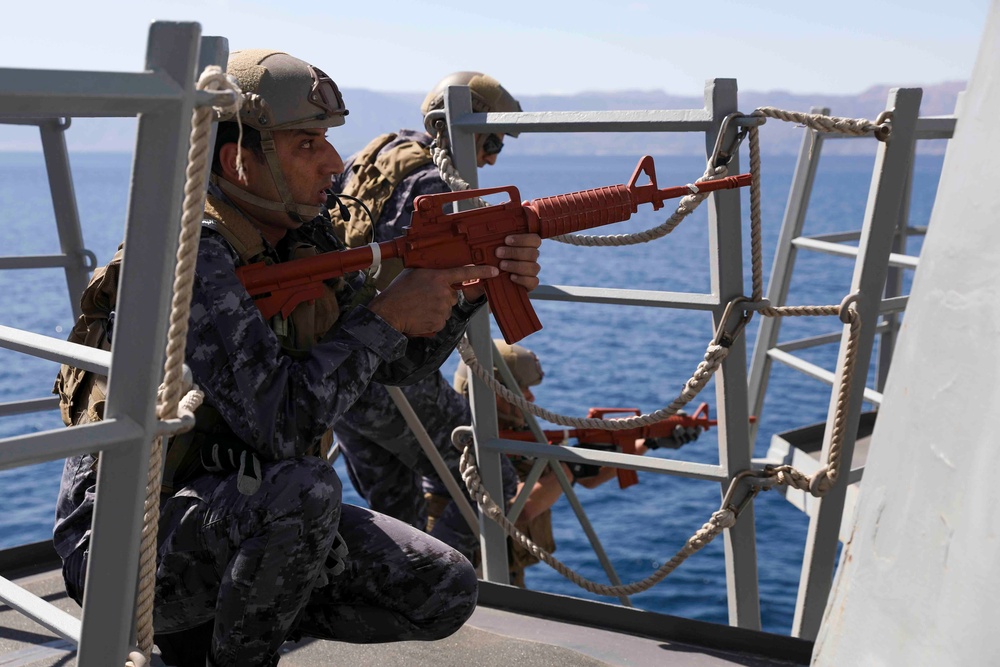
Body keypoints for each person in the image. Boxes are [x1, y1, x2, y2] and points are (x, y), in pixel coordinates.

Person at [51, 51, 541, 667]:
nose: (334, 162)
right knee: (303, 490)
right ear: (237, 158)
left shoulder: (297, 235)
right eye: (306, 143)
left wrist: (464, 291)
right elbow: (282, 425)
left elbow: (390, 367)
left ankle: (220, 620)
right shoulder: (194, 253)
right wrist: (387, 315)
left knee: (442, 586)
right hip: (126, 552)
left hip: (238, 513)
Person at [328, 72, 524, 561]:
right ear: (466, 127)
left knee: (395, 513)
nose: (493, 156)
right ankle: (447, 578)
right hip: (392, 375)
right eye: (493, 140)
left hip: (338, 367)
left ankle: (402, 600)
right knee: (495, 476)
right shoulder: (436, 187)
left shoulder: (374, 160)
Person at [449, 340, 702, 587]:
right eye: (521, 388)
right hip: (465, 575)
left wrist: (649, 443)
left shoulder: (519, 431)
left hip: (507, 575)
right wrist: (572, 465)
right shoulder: (459, 444)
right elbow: (519, 509)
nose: (531, 396)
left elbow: (589, 479)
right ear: (493, 391)